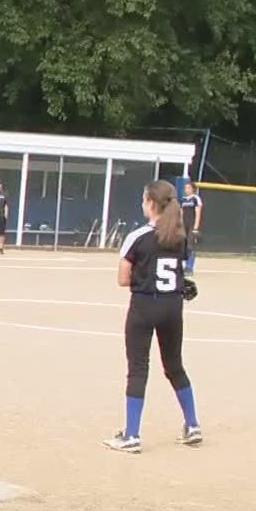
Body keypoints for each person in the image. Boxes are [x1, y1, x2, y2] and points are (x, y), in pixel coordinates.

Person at [103, 180, 202, 453]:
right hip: (172, 308)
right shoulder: (179, 237)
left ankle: (132, 435)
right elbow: (178, 274)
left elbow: (123, 280)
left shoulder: (138, 236)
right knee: (174, 366)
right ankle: (192, 424)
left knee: (138, 368)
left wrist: (144, 275)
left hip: (144, 307)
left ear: (150, 203)